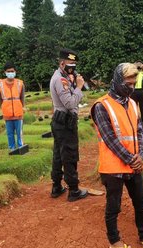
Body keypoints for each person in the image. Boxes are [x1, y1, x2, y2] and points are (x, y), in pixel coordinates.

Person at [91, 62, 143, 248]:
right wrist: (131, 158)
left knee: (141, 203)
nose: (132, 86)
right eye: (129, 82)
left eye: (134, 82)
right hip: (113, 167)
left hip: (134, 164)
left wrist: (142, 155)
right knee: (114, 206)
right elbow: (110, 138)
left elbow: (140, 132)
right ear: (118, 81)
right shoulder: (102, 106)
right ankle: (114, 240)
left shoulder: (133, 104)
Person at [49, 48, 88, 202]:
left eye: (74, 64)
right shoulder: (60, 80)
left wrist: (75, 83)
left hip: (60, 120)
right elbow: (70, 102)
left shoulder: (65, 77)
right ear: (62, 63)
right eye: (71, 63)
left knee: (58, 154)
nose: (73, 67)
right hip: (65, 122)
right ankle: (74, 190)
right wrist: (78, 87)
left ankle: (57, 186)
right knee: (69, 154)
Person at [0, 62, 25, 150]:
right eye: (8, 71)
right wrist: (4, 108)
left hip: (18, 112)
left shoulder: (20, 83)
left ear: (15, 71)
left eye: (12, 71)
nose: (10, 73)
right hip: (7, 113)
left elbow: (22, 98)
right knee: (10, 133)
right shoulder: (0, 84)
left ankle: (20, 147)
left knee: (19, 133)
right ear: (5, 72)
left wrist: (20, 108)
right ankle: (12, 148)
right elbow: (0, 99)